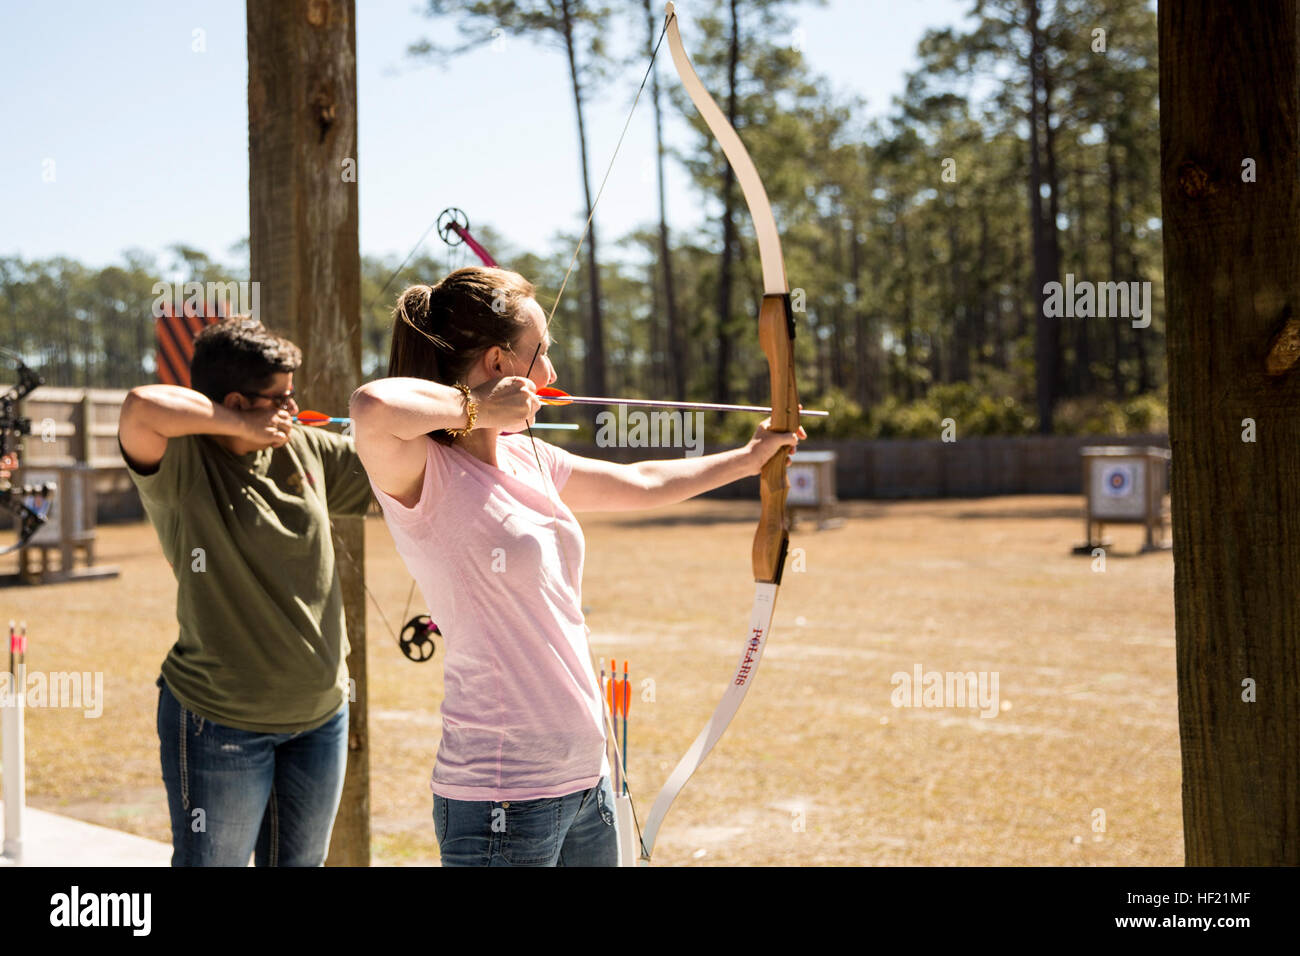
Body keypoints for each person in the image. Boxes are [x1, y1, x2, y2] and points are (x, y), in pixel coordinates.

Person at [350, 267, 804, 866]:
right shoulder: (422, 471)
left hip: (589, 777)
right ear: (498, 363)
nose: (552, 374)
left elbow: (642, 482)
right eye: (541, 352)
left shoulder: (528, 457)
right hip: (502, 795)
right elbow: (371, 405)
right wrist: (478, 407)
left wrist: (750, 458)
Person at [117, 317, 372, 866]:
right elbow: (140, 406)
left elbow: (403, 471)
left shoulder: (306, 448)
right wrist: (241, 427)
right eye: (280, 397)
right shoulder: (184, 461)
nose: (293, 407)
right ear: (236, 401)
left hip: (320, 718)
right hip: (219, 722)